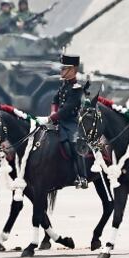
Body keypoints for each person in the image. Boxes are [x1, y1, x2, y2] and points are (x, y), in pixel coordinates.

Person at [47, 53, 89, 189]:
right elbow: (55, 100)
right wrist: (53, 112)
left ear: (73, 70)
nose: (61, 71)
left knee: (74, 144)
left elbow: (67, 110)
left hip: (71, 123)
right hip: (59, 121)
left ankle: (82, 177)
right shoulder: (64, 86)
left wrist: (53, 117)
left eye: (64, 68)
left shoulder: (77, 89)